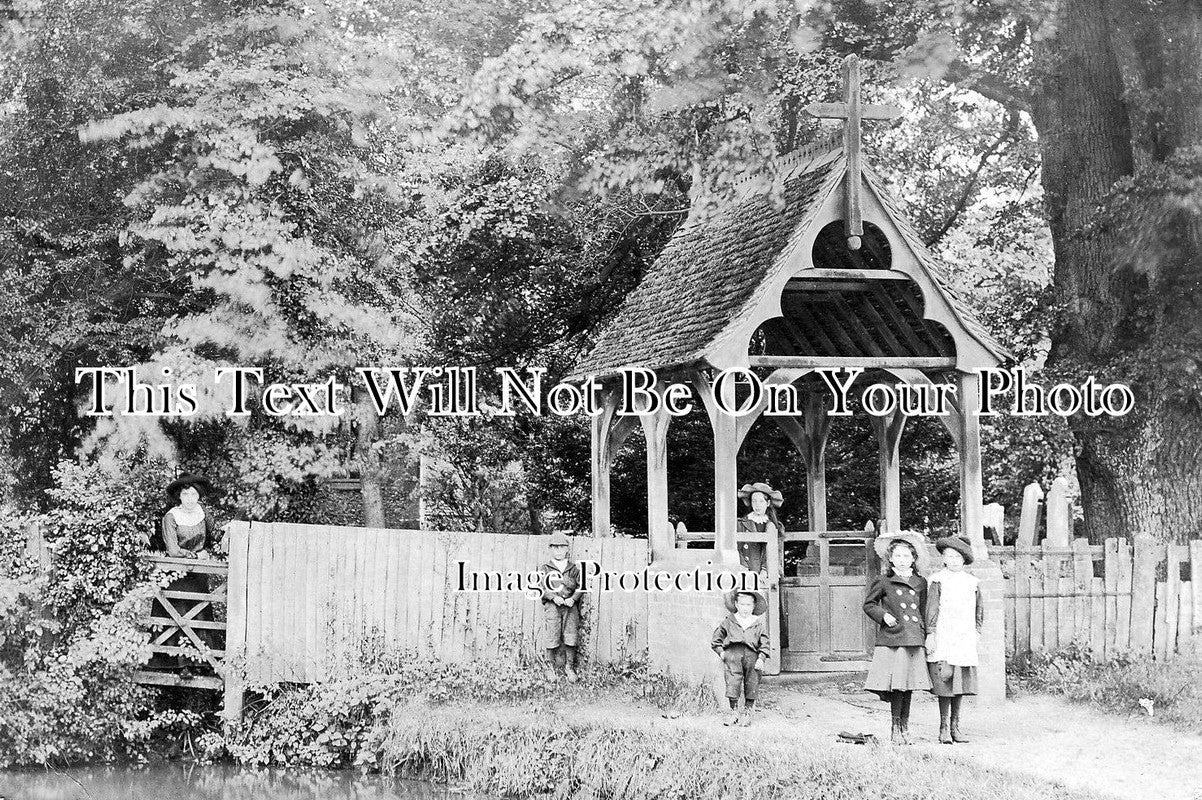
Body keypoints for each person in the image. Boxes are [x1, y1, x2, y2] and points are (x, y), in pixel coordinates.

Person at [862, 531, 931, 745]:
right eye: (898, 556)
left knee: (908, 685)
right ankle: (894, 729)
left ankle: (904, 728)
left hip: (913, 638)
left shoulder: (920, 582)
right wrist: (884, 616)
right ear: (890, 559)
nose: (902, 560)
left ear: (913, 558)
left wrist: (926, 635)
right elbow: (869, 605)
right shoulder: (883, 581)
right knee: (896, 686)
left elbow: (923, 611)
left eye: (906, 556)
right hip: (893, 638)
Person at [151, 473, 224, 672]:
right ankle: (179, 664)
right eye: (186, 494)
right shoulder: (171, 516)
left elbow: (215, 536)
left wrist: (228, 531)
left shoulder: (203, 512)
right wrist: (195, 556)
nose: (190, 499)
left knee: (199, 615)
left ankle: (202, 663)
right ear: (179, 497)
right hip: (176, 575)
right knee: (178, 615)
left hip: (198, 576)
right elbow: (173, 550)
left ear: (198, 496)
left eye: (193, 494)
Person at [925, 535, 983, 744]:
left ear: (964, 559)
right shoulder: (938, 580)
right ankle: (943, 728)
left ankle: (955, 727)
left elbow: (979, 611)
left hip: (964, 637)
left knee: (959, 683)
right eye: (950, 556)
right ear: (944, 559)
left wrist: (977, 632)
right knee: (945, 681)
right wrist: (931, 634)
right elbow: (931, 609)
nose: (954, 560)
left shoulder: (972, 582)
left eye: (958, 556)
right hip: (944, 636)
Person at [711, 589, 770, 727]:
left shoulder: (757, 623)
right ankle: (733, 712)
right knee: (733, 681)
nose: (745, 608)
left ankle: (748, 711)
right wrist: (722, 653)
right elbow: (716, 640)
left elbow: (765, 643)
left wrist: (761, 658)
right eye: (742, 604)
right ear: (736, 604)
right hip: (733, 655)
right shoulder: (729, 621)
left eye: (748, 605)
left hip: (752, 656)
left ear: (753, 606)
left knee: (752, 681)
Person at [539, 531, 584, 682]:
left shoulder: (573, 569)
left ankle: (569, 668)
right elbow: (541, 588)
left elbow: (581, 586)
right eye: (555, 547)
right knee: (552, 635)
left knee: (571, 636)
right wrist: (553, 597)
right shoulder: (545, 568)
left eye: (561, 547)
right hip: (553, 607)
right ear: (550, 549)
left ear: (567, 549)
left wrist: (573, 599)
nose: (558, 550)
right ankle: (549, 669)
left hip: (570, 608)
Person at [736, 482, 783, 575]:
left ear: (768, 503)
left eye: (761, 501)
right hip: (745, 571)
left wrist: (765, 570)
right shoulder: (741, 524)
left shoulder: (775, 526)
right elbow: (737, 548)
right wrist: (743, 568)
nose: (757, 505)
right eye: (754, 501)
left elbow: (776, 551)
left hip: (767, 573)